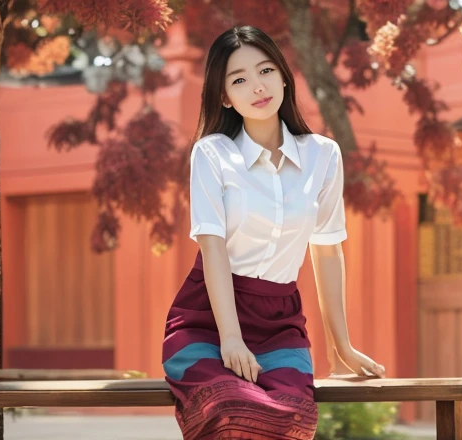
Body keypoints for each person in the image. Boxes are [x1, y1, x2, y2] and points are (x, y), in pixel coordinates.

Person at [162, 25, 386, 440]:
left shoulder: (323, 155)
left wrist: (342, 348)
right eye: (239, 79)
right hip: (207, 320)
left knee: (291, 418)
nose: (257, 86)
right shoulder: (212, 153)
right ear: (225, 96)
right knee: (230, 409)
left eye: (265, 71)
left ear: (284, 75)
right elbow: (213, 250)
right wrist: (230, 340)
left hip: (280, 320)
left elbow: (328, 250)